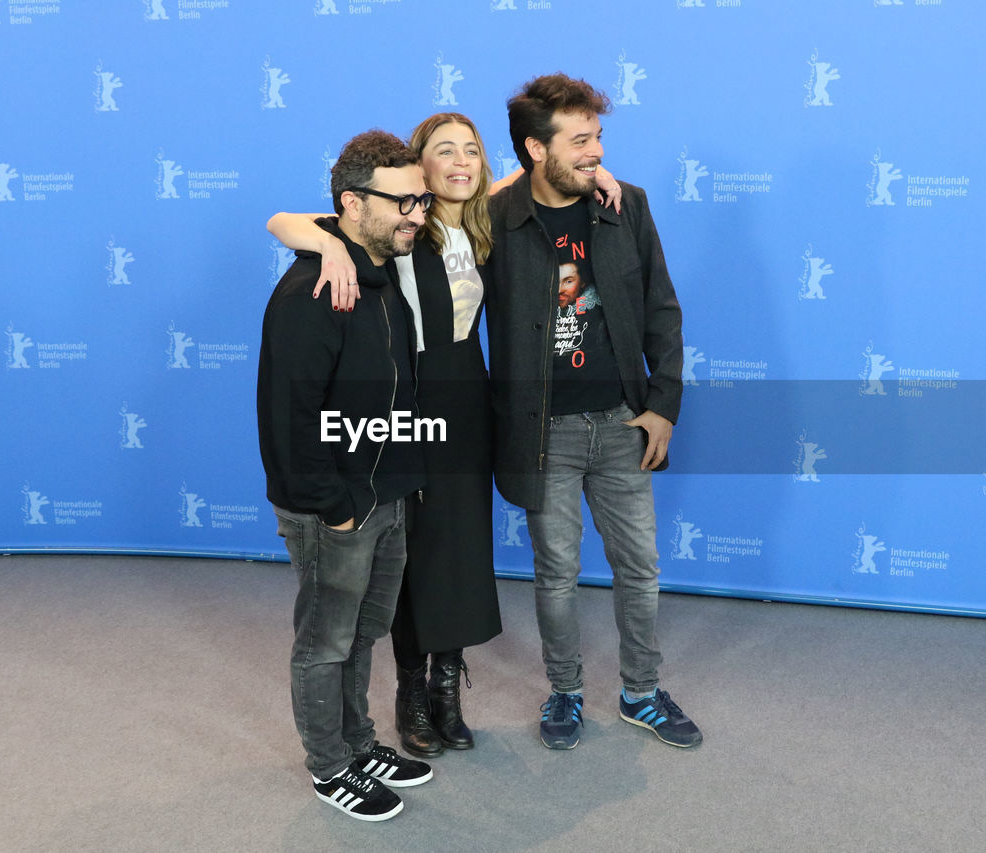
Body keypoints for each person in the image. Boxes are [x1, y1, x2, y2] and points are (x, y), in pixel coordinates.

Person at [267, 113, 503, 760]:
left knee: (440, 559)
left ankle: (424, 701)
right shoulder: (378, 246)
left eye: (472, 150)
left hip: (448, 420)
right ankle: (379, 718)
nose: (459, 161)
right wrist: (329, 244)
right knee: (372, 590)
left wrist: (600, 170)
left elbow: (548, 175)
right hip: (385, 432)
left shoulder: (480, 224)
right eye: (443, 152)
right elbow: (294, 221)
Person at [486, 73, 701, 750]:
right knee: (555, 573)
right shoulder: (495, 218)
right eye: (580, 141)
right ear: (533, 148)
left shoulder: (625, 205)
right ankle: (566, 692)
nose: (596, 152)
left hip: (619, 421)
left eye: (599, 137)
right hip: (539, 429)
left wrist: (663, 405)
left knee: (640, 566)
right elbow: (431, 208)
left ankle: (641, 692)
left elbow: (663, 311)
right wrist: (508, 184)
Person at [257, 129, 436, 822]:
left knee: (363, 633)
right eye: (404, 201)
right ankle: (329, 764)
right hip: (337, 507)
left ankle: (359, 741)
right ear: (352, 205)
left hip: (385, 494)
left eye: (421, 199)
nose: (417, 214)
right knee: (324, 641)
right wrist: (333, 507)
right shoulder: (312, 291)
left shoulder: (379, 272)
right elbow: (288, 418)